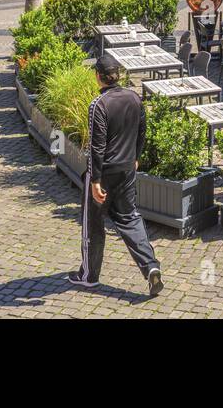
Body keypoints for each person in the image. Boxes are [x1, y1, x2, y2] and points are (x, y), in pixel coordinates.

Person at [69, 57, 164, 297]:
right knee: (130, 218)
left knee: (93, 224)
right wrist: (135, 156)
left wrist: (95, 180)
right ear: (118, 75)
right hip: (127, 169)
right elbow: (143, 129)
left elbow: (96, 146)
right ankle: (150, 266)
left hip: (104, 173)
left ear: (98, 76)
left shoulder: (98, 105)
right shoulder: (134, 97)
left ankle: (89, 276)